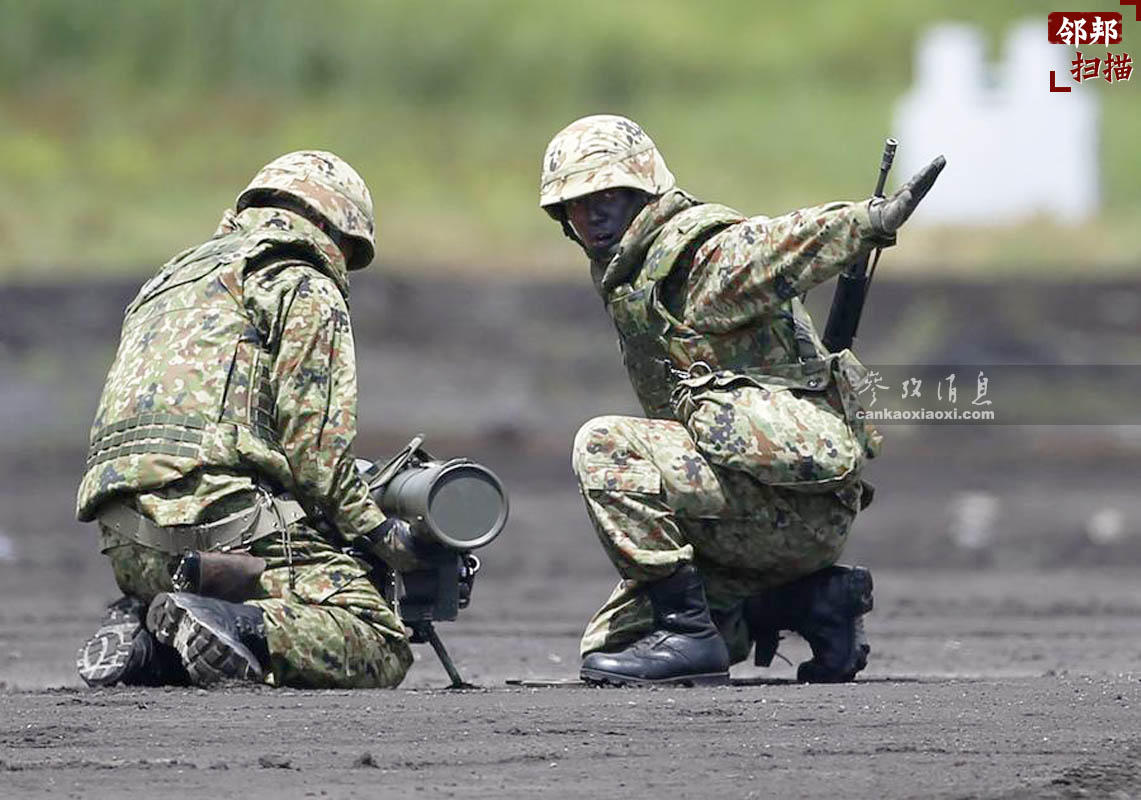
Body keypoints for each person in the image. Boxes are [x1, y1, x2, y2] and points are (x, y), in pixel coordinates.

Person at [538, 114, 944, 685]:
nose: (593, 214)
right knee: (617, 642)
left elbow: (776, 246)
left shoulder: (696, 256)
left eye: (609, 195)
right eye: (578, 204)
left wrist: (868, 221)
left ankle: (690, 635)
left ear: (643, 190)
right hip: (758, 501)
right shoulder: (630, 273)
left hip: (785, 503)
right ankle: (813, 602)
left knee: (605, 446)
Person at [75, 151, 424, 689]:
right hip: (217, 530)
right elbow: (318, 460)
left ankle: (151, 639)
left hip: (125, 544)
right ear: (338, 232)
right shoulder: (300, 283)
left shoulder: (168, 281)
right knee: (377, 637)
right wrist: (385, 539)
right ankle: (231, 624)